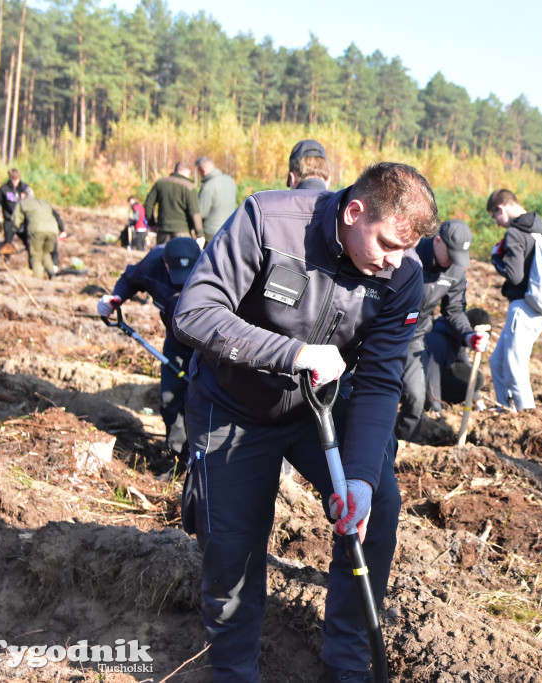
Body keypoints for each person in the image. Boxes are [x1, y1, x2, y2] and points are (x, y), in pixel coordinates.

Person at [172, 158, 438, 682]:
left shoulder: (403, 274)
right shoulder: (269, 220)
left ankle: (345, 667)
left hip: (319, 408)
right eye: (386, 244)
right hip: (232, 407)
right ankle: (233, 671)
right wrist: (292, 354)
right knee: (233, 551)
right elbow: (195, 312)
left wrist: (360, 479)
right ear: (354, 211)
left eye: (406, 250)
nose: (394, 262)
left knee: (377, 503)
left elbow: (383, 379)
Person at [97, 237, 200, 464]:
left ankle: (207, 461)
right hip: (175, 343)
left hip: (208, 346)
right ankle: (179, 460)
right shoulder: (153, 263)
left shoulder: (213, 266)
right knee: (170, 400)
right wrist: (115, 299)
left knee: (206, 403)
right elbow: (129, 279)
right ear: (165, 265)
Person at [395, 219, 487, 442]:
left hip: (415, 338)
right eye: (451, 254)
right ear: (438, 240)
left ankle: (404, 446)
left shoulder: (455, 272)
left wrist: (468, 335)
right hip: (381, 332)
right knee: (367, 392)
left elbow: (454, 310)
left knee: (416, 399)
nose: (454, 262)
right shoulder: (409, 254)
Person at [486, 189, 542, 412]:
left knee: (514, 367)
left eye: (495, 216)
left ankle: (525, 417)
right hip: (539, 305)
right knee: (497, 362)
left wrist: (496, 258)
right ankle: (506, 410)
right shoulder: (541, 227)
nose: (497, 223)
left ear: (500, 208)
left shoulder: (514, 233)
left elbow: (514, 276)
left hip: (523, 307)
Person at [423, 308, 491, 413]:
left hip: (442, 374)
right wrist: (435, 407)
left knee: (476, 378)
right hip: (424, 379)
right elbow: (431, 375)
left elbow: (466, 366)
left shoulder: (459, 338)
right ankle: (431, 402)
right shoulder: (438, 339)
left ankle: (442, 399)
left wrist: (478, 400)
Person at [144, 161, 202, 244]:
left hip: (163, 231)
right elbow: (195, 212)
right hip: (183, 231)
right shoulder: (189, 187)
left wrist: (151, 224)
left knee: (163, 255)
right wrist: (200, 233)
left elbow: (148, 204)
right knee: (181, 255)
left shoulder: (160, 183)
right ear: (187, 172)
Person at [12, 192, 65, 279]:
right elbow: (56, 215)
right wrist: (62, 230)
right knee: (46, 253)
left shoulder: (23, 203)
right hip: (52, 230)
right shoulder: (44, 203)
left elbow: (16, 220)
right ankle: (52, 275)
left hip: (37, 230)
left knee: (36, 257)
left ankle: (38, 280)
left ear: (24, 195)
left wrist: (15, 231)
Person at [195, 156, 238, 242]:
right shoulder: (230, 181)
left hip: (211, 233)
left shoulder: (208, 186)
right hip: (229, 228)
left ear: (203, 170)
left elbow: (202, 212)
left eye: (199, 172)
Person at [0, 168, 30, 248]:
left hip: (22, 220)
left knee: (28, 241)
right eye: (13, 179)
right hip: (9, 220)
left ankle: (32, 259)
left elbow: (31, 200)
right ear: (10, 178)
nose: (15, 182)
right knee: (8, 243)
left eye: (17, 179)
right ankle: (7, 259)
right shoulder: (3, 189)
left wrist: (26, 196)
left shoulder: (24, 188)